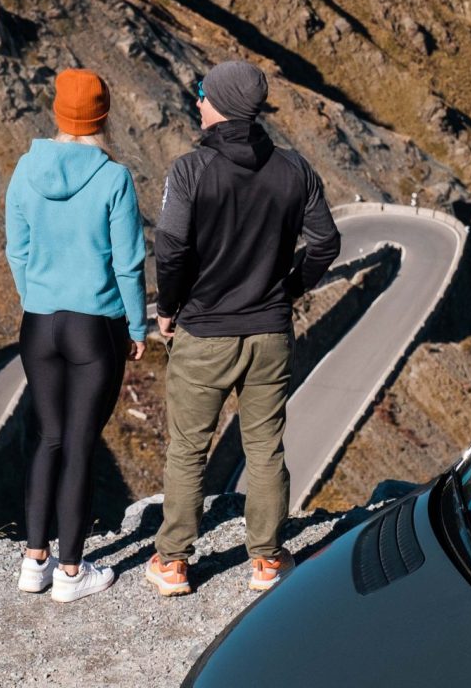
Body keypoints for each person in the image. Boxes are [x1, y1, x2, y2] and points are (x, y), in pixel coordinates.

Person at [146, 60, 341, 596]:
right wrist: (290, 287)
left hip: (205, 331)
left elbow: (172, 246)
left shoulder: (190, 170)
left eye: (202, 94)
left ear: (221, 104)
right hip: (270, 330)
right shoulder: (294, 168)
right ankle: (267, 561)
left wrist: (169, 308)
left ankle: (174, 562)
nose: (197, 102)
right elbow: (326, 242)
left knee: (188, 448)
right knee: (265, 447)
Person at [5, 68, 147, 603]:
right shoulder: (113, 178)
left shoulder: (25, 168)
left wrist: (34, 297)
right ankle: (70, 573)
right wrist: (135, 326)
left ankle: (33, 561)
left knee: (48, 438)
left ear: (58, 111)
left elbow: (16, 249)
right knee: (81, 445)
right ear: (102, 115)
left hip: (38, 324)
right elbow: (129, 263)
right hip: (94, 326)